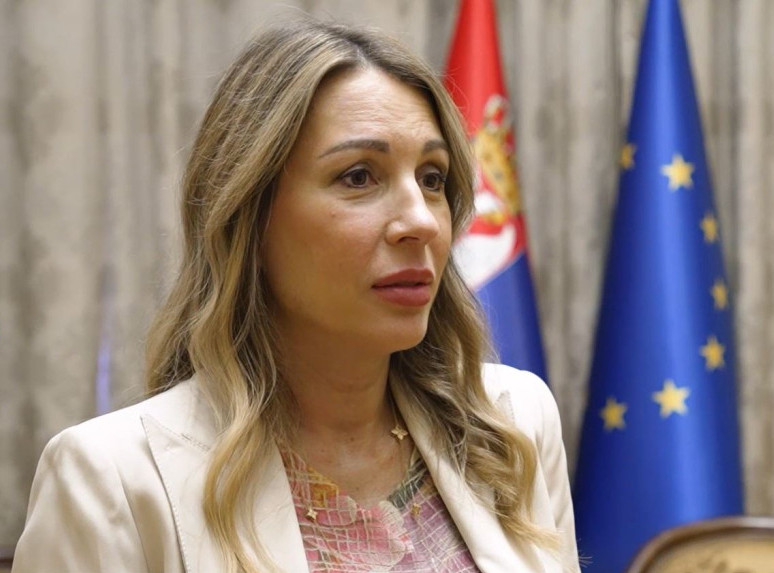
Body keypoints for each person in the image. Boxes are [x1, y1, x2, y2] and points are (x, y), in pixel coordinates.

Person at [13, 18, 580, 573]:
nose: (422, 222)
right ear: (249, 217)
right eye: (358, 176)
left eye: (432, 178)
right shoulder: (112, 481)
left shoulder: (514, 425)